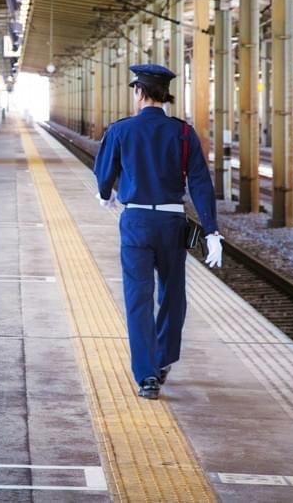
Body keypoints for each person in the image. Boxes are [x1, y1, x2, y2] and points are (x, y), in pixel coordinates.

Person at [93, 64, 223, 400]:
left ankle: (146, 376)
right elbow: (200, 183)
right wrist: (211, 232)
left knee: (138, 298)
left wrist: (106, 194)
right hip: (171, 222)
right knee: (172, 295)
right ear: (166, 95)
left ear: (139, 92)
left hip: (135, 221)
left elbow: (104, 172)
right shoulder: (182, 133)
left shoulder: (121, 130)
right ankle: (163, 359)